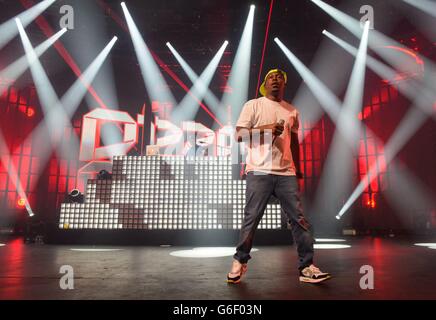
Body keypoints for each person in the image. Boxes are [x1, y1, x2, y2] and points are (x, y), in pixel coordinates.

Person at [227, 69, 331, 284]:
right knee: (252, 218)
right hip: (259, 170)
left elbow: (293, 142)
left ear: (284, 84)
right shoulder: (253, 105)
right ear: (265, 84)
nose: (276, 79)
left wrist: (298, 167)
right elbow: (239, 135)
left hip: (286, 172)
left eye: (280, 78)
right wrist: (265, 129)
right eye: (271, 77)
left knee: (299, 220)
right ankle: (240, 259)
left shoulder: (291, 110)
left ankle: (307, 267)